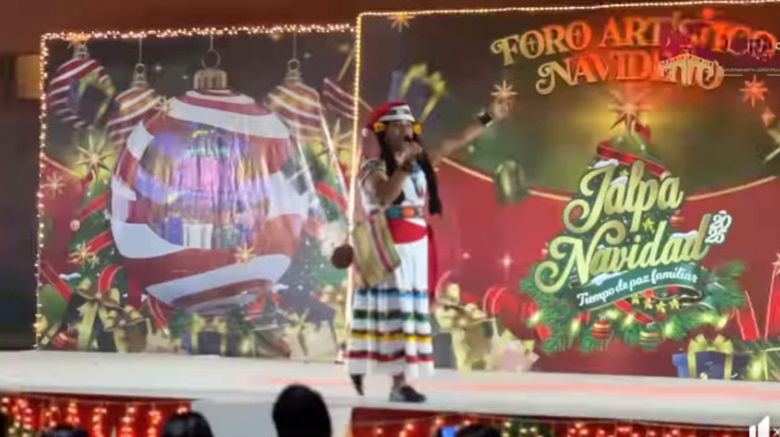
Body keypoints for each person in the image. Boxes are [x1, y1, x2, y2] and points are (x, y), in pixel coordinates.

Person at [346, 99, 511, 402]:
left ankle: (390, 374)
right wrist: (406, 166)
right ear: (384, 131)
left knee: (409, 313)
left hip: (417, 245)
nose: (406, 130)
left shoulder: (419, 162)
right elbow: (383, 198)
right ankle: (397, 384)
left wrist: (490, 116)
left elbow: (455, 141)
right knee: (396, 313)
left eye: (409, 125)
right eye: (398, 125)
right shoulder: (372, 168)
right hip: (389, 247)